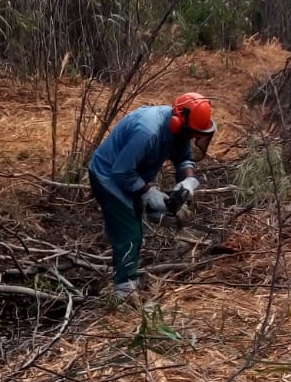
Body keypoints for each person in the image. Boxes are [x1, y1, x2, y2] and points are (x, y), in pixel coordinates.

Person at [87, 93, 216, 299]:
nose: (192, 138)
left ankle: (128, 276)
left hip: (131, 173)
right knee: (129, 231)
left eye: (195, 134)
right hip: (108, 175)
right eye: (191, 133)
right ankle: (124, 292)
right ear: (178, 122)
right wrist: (148, 193)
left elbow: (184, 158)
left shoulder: (181, 130)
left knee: (134, 224)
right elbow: (121, 172)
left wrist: (188, 181)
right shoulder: (147, 132)